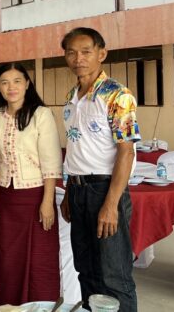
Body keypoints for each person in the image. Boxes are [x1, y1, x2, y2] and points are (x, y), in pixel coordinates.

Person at [60, 28, 139, 311]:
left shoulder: (117, 95)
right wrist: (69, 191)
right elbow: (76, 148)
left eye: (86, 52)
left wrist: (111, 204)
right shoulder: (72, 96)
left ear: (101, 54)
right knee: (86, 270)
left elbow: (126, 151)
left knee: (114, 276)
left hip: (105, 190)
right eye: (71, 52)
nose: (78, 58)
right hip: (78, 190)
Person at [0, 63, 62, 305]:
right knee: (9, 259)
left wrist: (48, 202)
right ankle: (10, 307)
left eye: (17, 81)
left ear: (27, 84)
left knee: (39, 259)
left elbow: (51, 161)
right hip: (7, 197)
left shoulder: (41, 114)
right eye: (5, 82)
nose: (11, 87)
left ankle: (40, 308)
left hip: (36, 196)